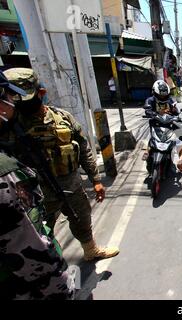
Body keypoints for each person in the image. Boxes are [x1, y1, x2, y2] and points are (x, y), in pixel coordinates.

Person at [3, 68, 119, 261]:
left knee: (82, 219)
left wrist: (96, 179)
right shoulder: (9, 126)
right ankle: (51, 265)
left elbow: (83, 148)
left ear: (41, 93)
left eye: (27, 98)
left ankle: (91, 251)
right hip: (34, 194)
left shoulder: (63, 118)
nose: (22, 105)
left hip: (70, 185)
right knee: (39, 232)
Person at [0, 70, 73, 300]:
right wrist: (64, 288)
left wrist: (96, 179)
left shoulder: (60, 117)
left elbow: (81, 144)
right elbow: (28, 246)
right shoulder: (7, 171)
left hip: (62, 185)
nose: (14, 104)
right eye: (10, 97)